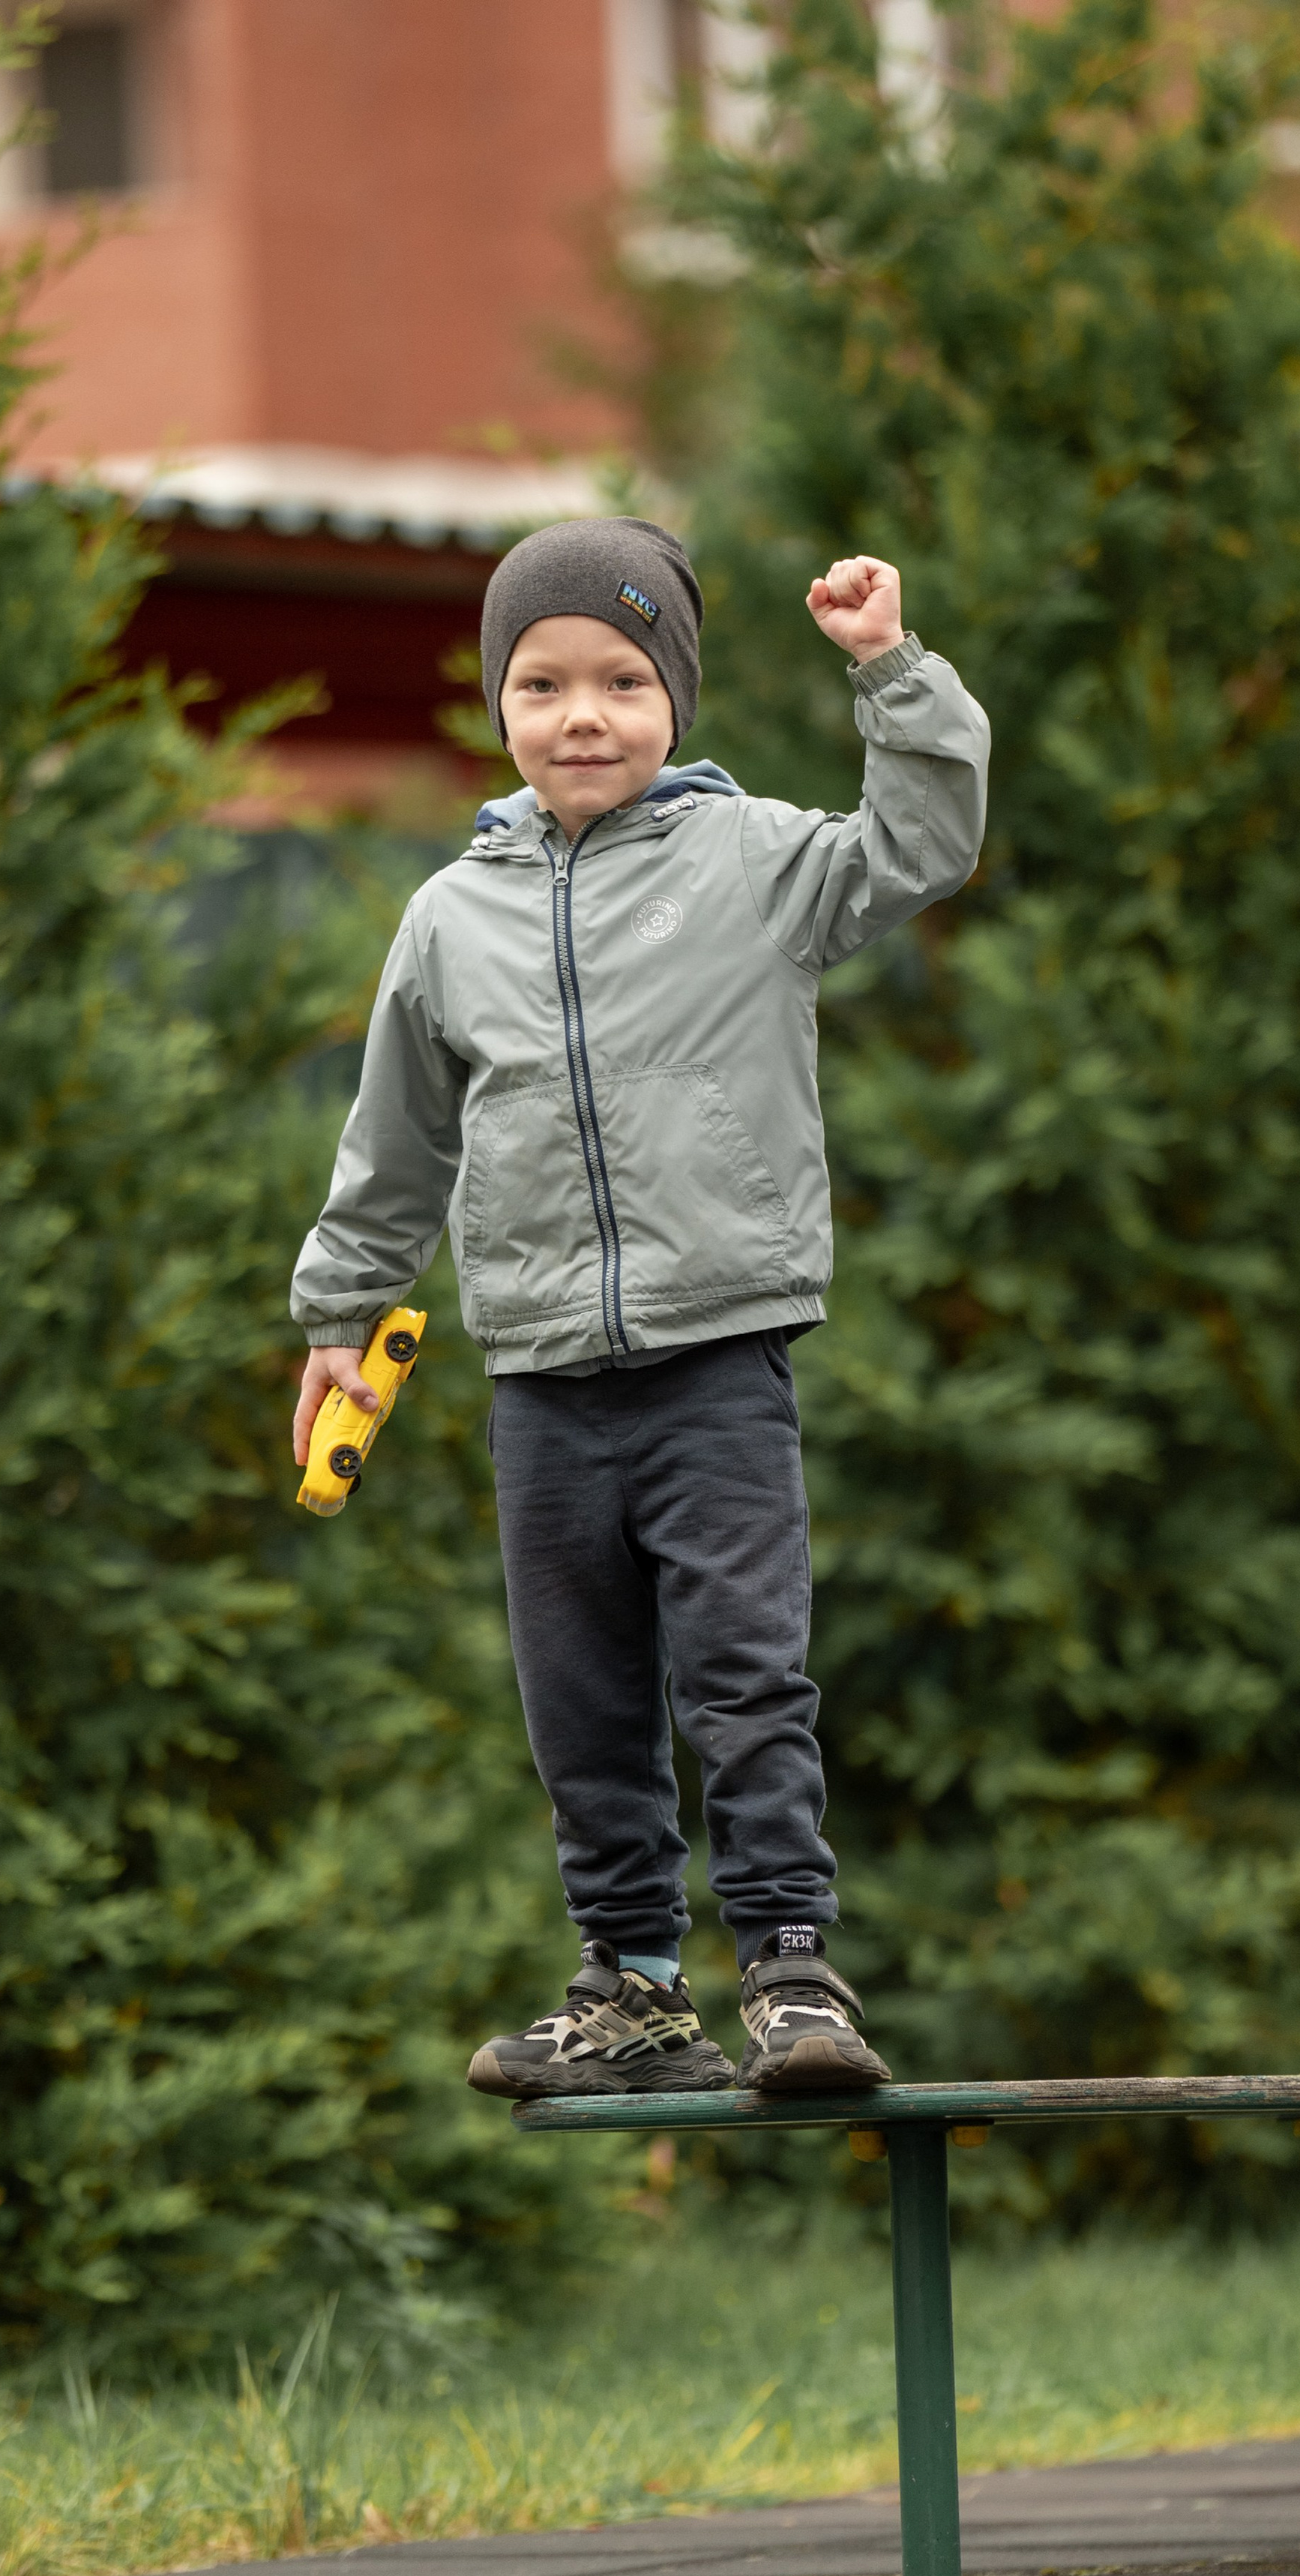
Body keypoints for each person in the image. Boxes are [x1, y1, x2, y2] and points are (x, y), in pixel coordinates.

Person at [291, 517, 988, 2099]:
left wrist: (889, 671)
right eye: (540, 682)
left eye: (618, 676)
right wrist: (341, 1310)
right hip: (538, 1377)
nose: (580, 711)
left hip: (714, 1357)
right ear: (499, 704)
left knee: (742, 1673)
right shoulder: (447, 923)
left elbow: (926, 838)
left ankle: (794, 1974)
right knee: (579, 1694)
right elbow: (394, 1142)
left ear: (674, 693)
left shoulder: (758, 867)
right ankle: (627, 1984)